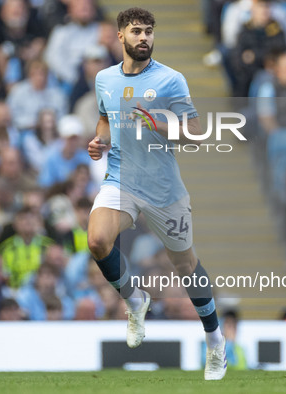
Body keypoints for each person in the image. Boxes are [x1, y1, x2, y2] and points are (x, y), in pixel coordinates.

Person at [86, 8, 226, 380]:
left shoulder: (171, 80)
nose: (144, 37)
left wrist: (160, 123)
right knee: (98, 240)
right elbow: (105, 118)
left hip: (163, 189)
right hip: (121, 181)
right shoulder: (104, 79)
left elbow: (197, 132)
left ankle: (215, 342)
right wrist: (100, 142)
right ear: (120, 36)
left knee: (185, 266)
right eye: (136, 31)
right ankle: (135, 301)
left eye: (149, 31)